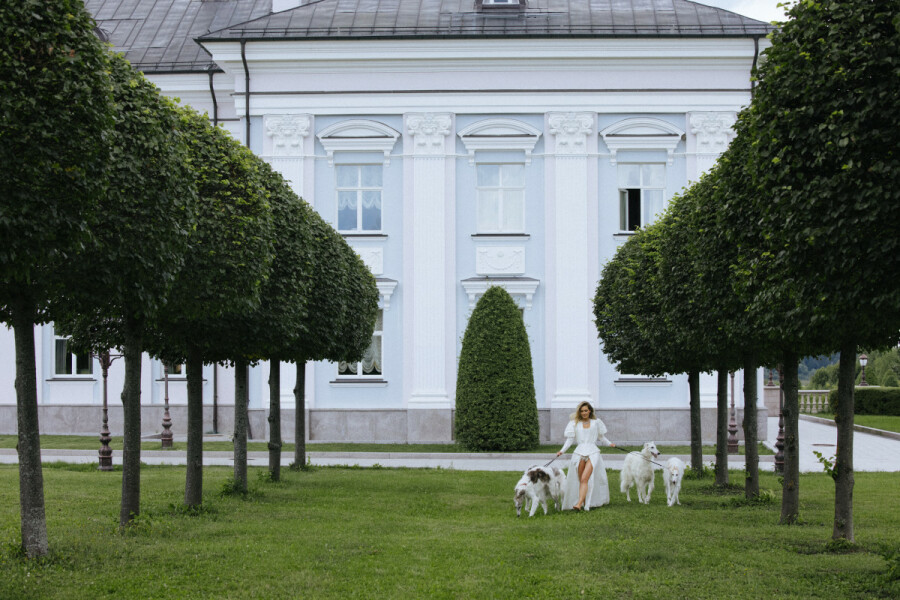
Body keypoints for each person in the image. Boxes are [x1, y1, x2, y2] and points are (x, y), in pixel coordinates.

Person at [556, 400, 615, 511]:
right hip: (579, 452)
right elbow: (569, 440)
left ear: (590, 411)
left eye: (586, 410)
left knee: (584, 478)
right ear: (580, 412)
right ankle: (583, 502)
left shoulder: (596, 422)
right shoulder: (574, 423)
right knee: (581, 479)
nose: (584, 413)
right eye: (582, 411)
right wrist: (562, 451)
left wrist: (610, 444)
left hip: (593, 452)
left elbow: (601, 437)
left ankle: (579, 504)